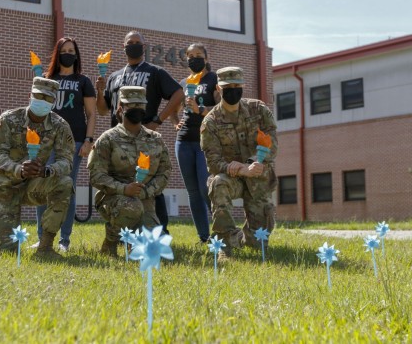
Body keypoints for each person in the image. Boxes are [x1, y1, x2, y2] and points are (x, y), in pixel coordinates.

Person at [95, 30, 184, 234]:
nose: (133, 45)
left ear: (144, 48)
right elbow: (102, 109)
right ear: (123, 46)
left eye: (137, 43)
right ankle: (120, 231)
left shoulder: (155, 71)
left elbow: (178, 93)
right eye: (130, 42)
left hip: (145, 138)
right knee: (119, 182)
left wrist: (158, 120)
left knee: (150, 184)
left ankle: (160, 232)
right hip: (118, 140)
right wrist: (100, 91)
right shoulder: (114, 76)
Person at [0, 77, 74, 258]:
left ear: (54, 102)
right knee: (5, 252)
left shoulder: (60, 126)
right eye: (38, 96)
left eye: (48, 99)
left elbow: (66, 161)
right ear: (30, 96)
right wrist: (19, 169)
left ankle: (45, 247)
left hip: (33, 185)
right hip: (5, 186)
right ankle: (3, 241)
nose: (42, 101)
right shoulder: (9, 119)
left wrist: (47, 170)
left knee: (65, 183)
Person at [200, 67, 278, 260]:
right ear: (218, 88)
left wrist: (255, 162)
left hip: (258, 176)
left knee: (256, 243)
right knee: (218, 183)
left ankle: (240, 238)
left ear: (243, 85)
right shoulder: (210, 122)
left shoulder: (258, 110)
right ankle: (223, 243)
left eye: (237, 86)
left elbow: (273, 142)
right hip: (232, 177)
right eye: (228, 87)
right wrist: (236, 168)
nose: (233, 90)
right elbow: (213, 162)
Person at [88, 86, 171, 256]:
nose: (136, 110)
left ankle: (133, 241)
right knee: (131, 208)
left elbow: (165, 172)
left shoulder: (155, 139)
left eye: (140, 106)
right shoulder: (108, 139)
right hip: (113, 199)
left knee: (158, 252)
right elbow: (96, 175)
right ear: (120, 108)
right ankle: (110, 243)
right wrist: (124, 189)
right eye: (131, 106)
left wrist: (146, 191)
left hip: (145, 201)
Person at [33, 37, 96, 252]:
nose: (68, 53)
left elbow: (91, 114)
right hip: (47, 141)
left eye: (72, 50)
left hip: (74, 141)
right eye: (64, 50)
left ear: (76, 55)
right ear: (57, 54)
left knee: (67, 188)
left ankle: (64, 240)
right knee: (43, 186)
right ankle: (42, 237)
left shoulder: (83, 81)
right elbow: (36, 111)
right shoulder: (47, 78)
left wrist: (88, 140)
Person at [175, 43, 219, 243]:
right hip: (183, 141)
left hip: (205, 140)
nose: (194, 59)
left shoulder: (214, 79)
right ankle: (204, 237)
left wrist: (200, 110)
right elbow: (173, 106)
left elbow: (221, 111)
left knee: (204, 187)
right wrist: (176, 122)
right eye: (190, 56)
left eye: (199, 55)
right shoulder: (183, 83)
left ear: (206, 58)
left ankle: (223, 229)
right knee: (192, 192)